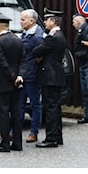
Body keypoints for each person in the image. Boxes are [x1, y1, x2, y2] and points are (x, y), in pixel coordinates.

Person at [0, 11, 25, 152]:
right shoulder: (18, 39)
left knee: (3, 113)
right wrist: (20, 76)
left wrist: (12, 76)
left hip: (3, 83)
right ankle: (17, 143)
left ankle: (4, 143)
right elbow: (23, 60)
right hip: (17, 83)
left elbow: (1, 62)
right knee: (16, 113)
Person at [33, 11, 66, 148]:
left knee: (50, 108)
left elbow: (37, 51)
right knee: (56, 107)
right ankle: (57, 136)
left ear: (53, 21)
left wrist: (38, 54)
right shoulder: (60, 35)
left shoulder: (52, 37)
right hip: (56, 76)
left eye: (47, 20)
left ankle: (51, 138)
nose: (45, 23)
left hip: (50, 76)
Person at [18, 9, 44, 143]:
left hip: (32, 76)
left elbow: (39, 56)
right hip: (23, 74)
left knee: (35, 104)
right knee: (19, 104)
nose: (20, 22)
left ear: (32, 21)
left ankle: (34, 132)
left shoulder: (37, 36)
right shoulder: (25, 34)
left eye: (23, 20)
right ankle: (15, 131)